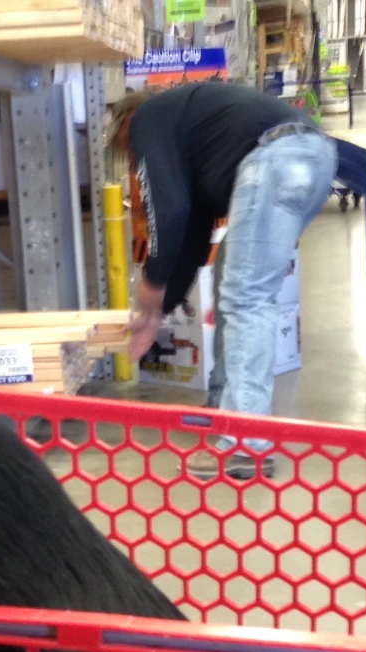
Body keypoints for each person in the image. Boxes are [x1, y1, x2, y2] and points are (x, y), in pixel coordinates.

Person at [110, 80, 337, 478]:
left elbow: (169, 212)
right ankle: (224, 408)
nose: (136, 164)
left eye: (130, 154)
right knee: (232, 282)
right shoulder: (192, 138)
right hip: (313, 157)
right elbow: (194, 239)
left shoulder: (148, 118)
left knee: (247, 299)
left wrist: (150, 284)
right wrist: (159, 310)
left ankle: (246, 443)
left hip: (276, 157)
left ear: (128, 122)